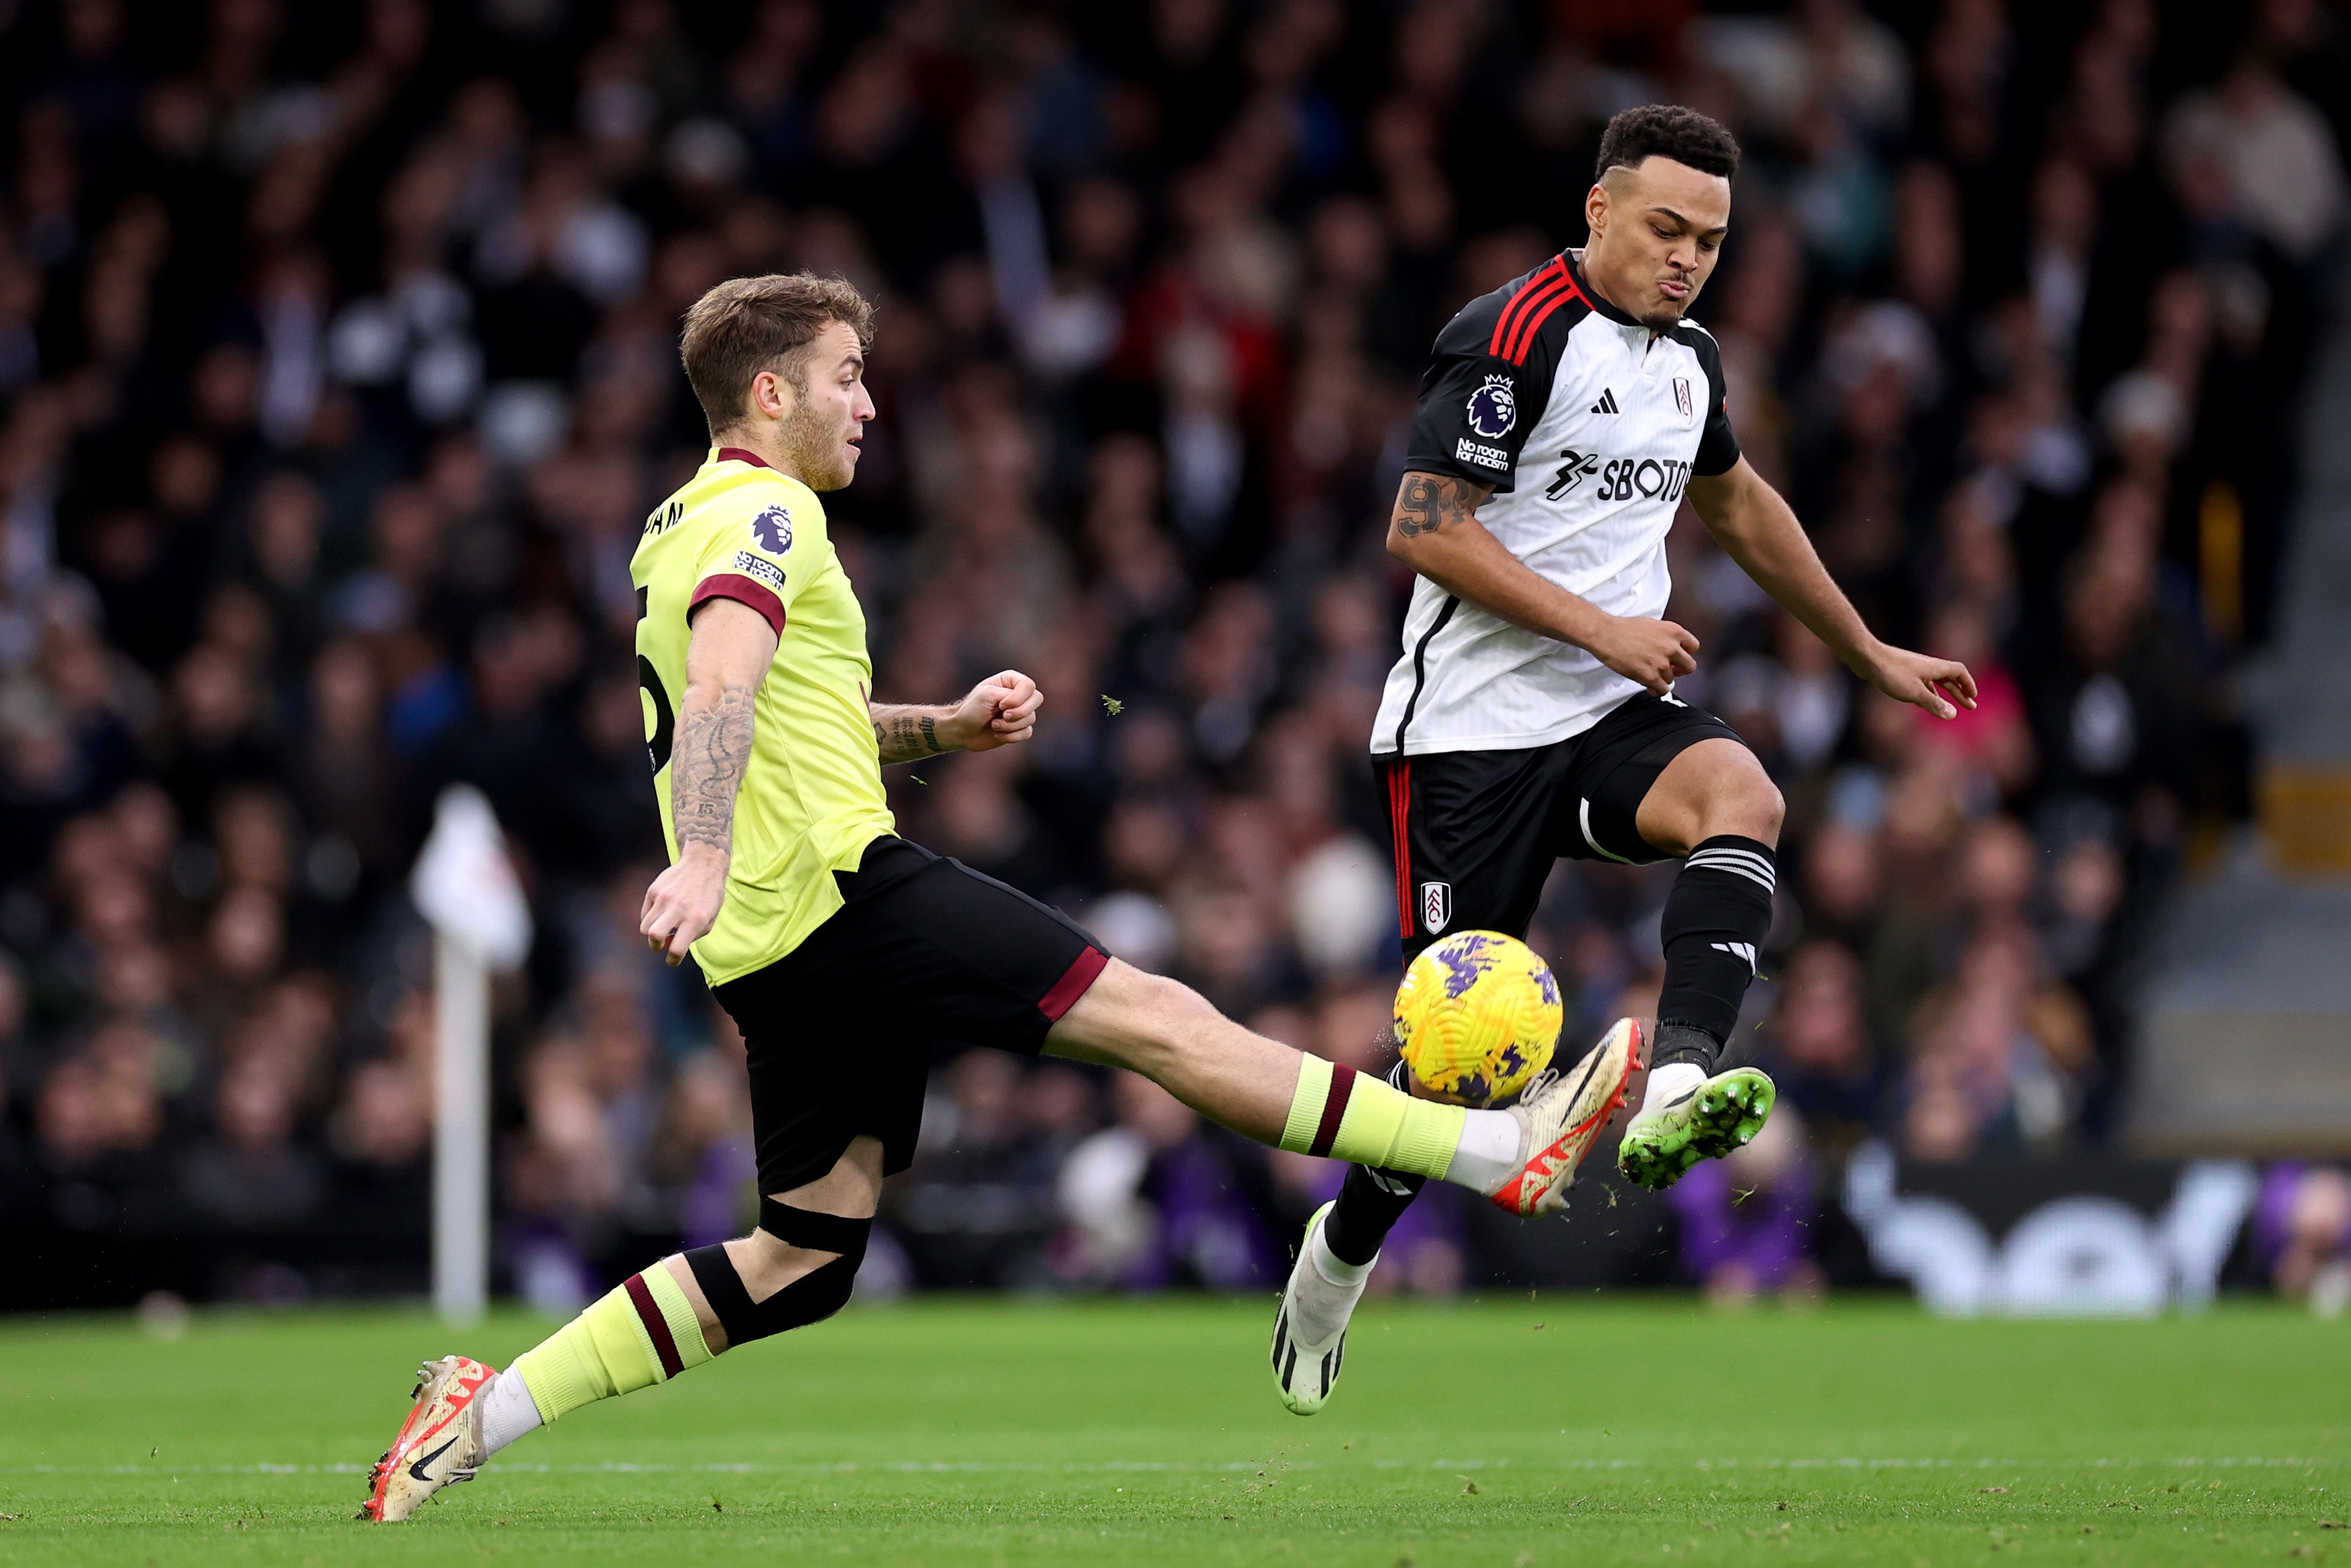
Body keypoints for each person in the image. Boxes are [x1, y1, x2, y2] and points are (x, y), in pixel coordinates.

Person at [360, 272, 1641, 1521]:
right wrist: (697, 853)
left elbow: (798, 717)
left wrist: (949, 731)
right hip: (840, 894)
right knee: (1155, 1019)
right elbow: (721, 699)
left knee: (802, 1257)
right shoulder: (772, 520)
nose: (869, 406)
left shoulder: (678, 525)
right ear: (768, 392)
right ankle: (1499, 1151)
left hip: (770, 944)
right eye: (846, 378)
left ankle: (480, 1413)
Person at [1269, 104, 1975, 1415]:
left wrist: (1869, 649)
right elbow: (1423, 527)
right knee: (1450, 1071)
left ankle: (1680, 1081)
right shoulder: (1510, 334)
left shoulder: (1692, 360)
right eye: (1665, 227)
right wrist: (1605, 626)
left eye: (1710, 237)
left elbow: (1741, 506)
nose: (1689, 257)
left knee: (1743, 794)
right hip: (1468, 738)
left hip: (1602, 717)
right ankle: (1337, 1261)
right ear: (1598, 210)